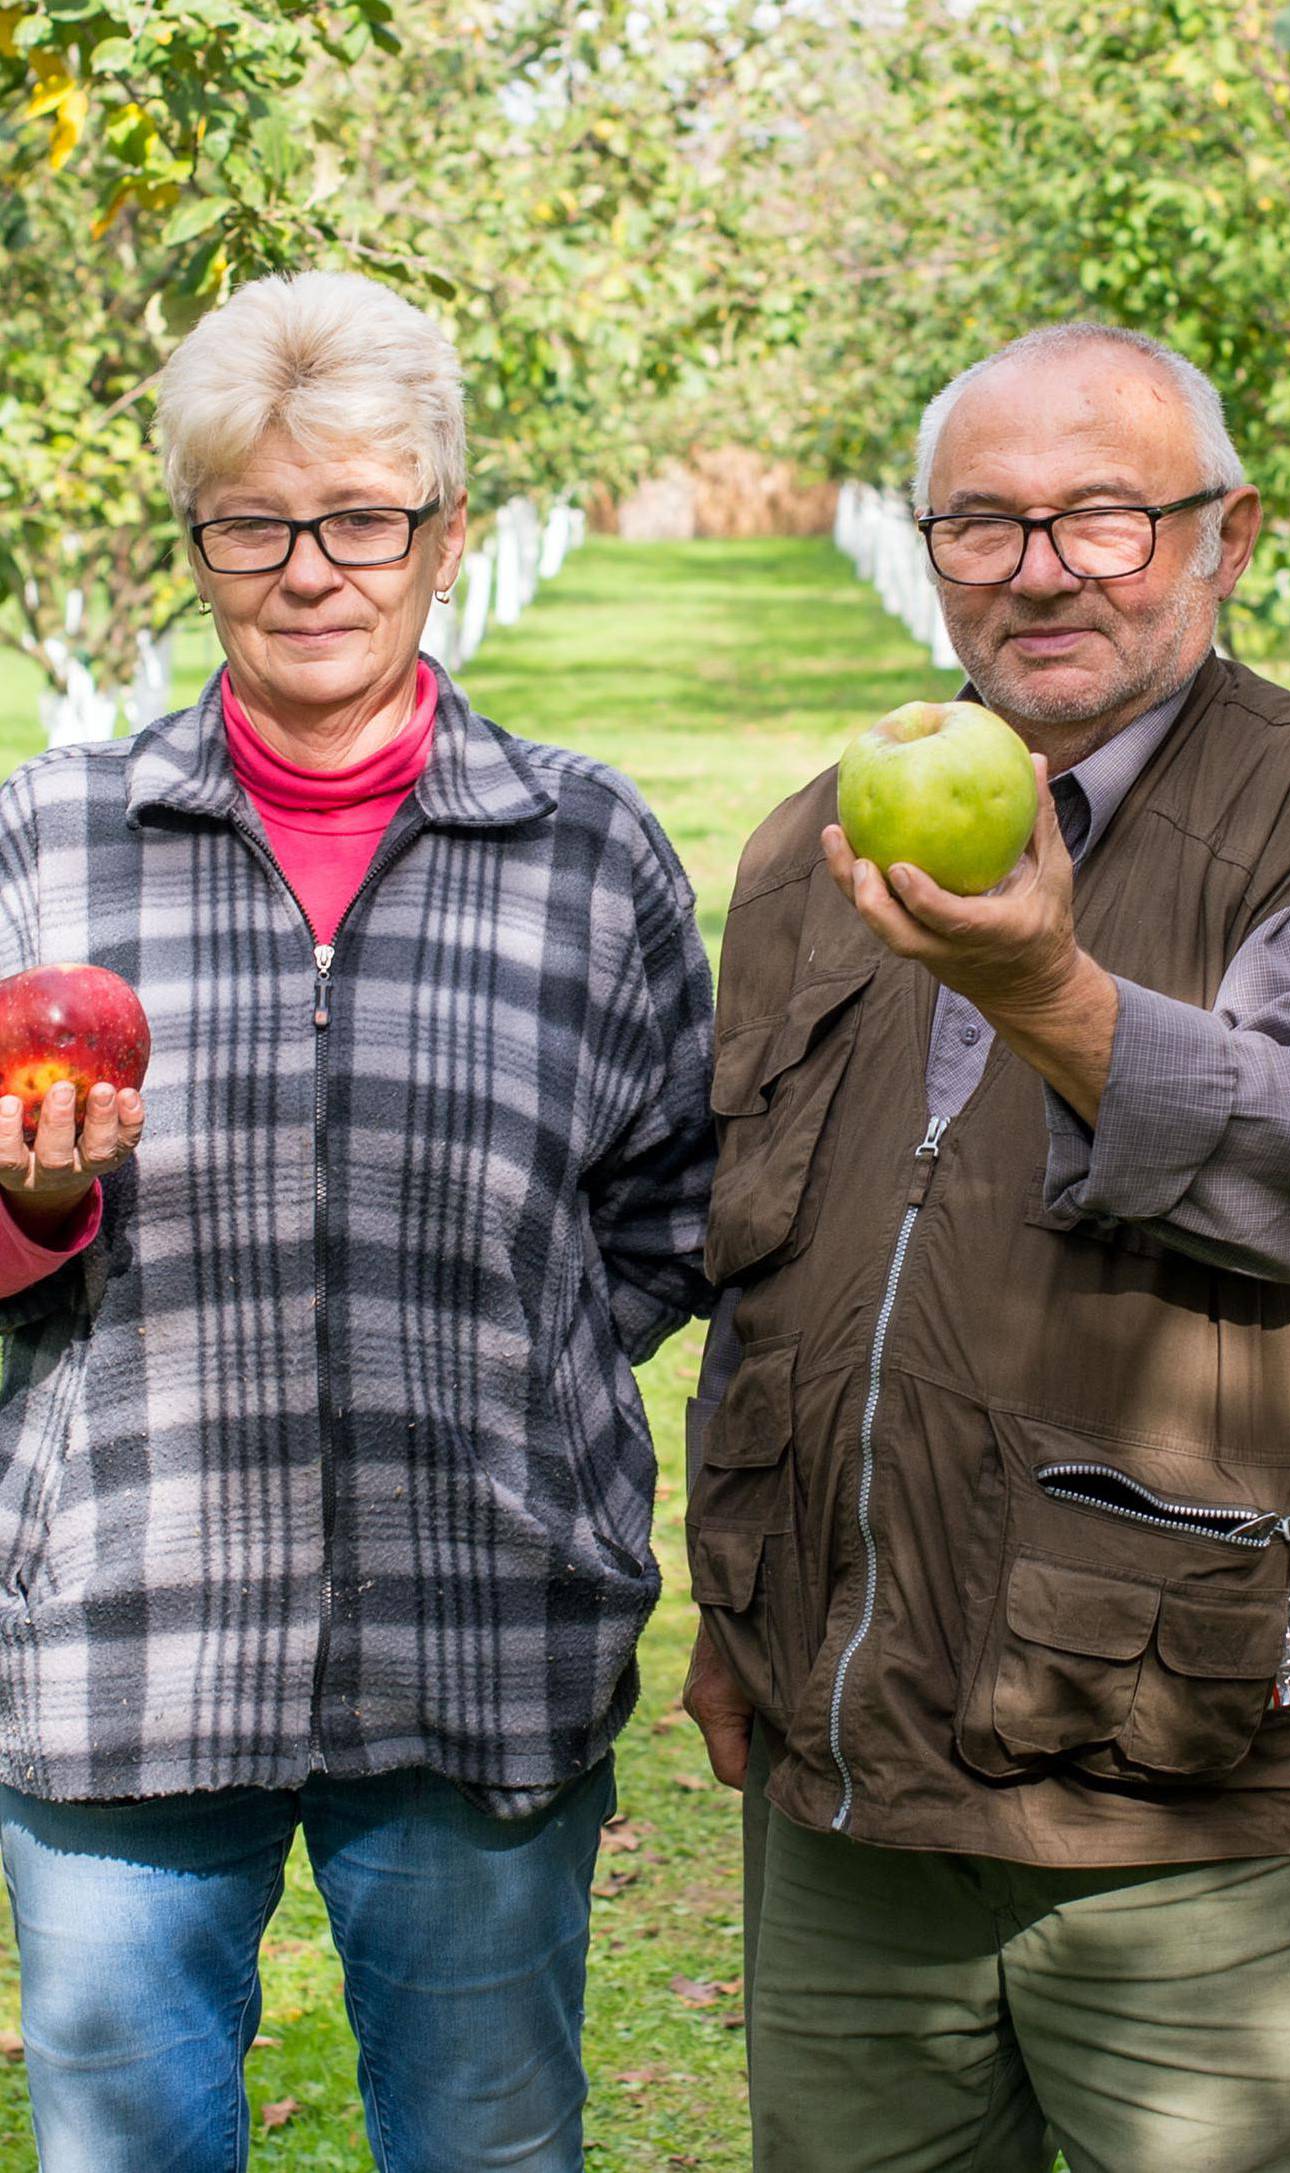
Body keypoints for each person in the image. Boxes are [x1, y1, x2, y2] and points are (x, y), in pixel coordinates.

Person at [682, 322, 1290, 2171]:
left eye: (1108, 518)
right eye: (983, 522)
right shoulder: (821, 847)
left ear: (1227, 537)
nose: (1041, 565)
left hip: (1192, 1799)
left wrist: (1047, 986)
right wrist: (743, 1614)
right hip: (856, 1804)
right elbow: (773, 1256)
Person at [0, 269, 714, 2173]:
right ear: (198, 543)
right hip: (126, 1634)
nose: (312, 567)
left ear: (444, 532)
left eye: (365, 515)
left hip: (482, 1624)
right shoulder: (52, 840)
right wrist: (30, 1211)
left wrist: (516, 1377)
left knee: (485, 2144)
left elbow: (667, 1211)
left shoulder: (582, 852)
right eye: (255, 521)